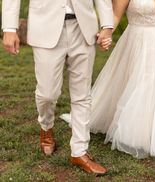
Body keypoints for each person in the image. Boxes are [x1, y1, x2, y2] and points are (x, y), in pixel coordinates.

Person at [61, 0, 155, 160]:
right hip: (139, 43)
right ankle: (137, 134)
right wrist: (106, 33)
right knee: (143, 86)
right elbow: (115, 14)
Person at [2, 0, 114, 174]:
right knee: (47, 94)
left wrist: (107, 25)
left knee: (82, 95)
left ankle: (79, 151)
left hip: (83, 27)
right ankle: (46, 126)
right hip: (44, 26)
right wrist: (9, 28)